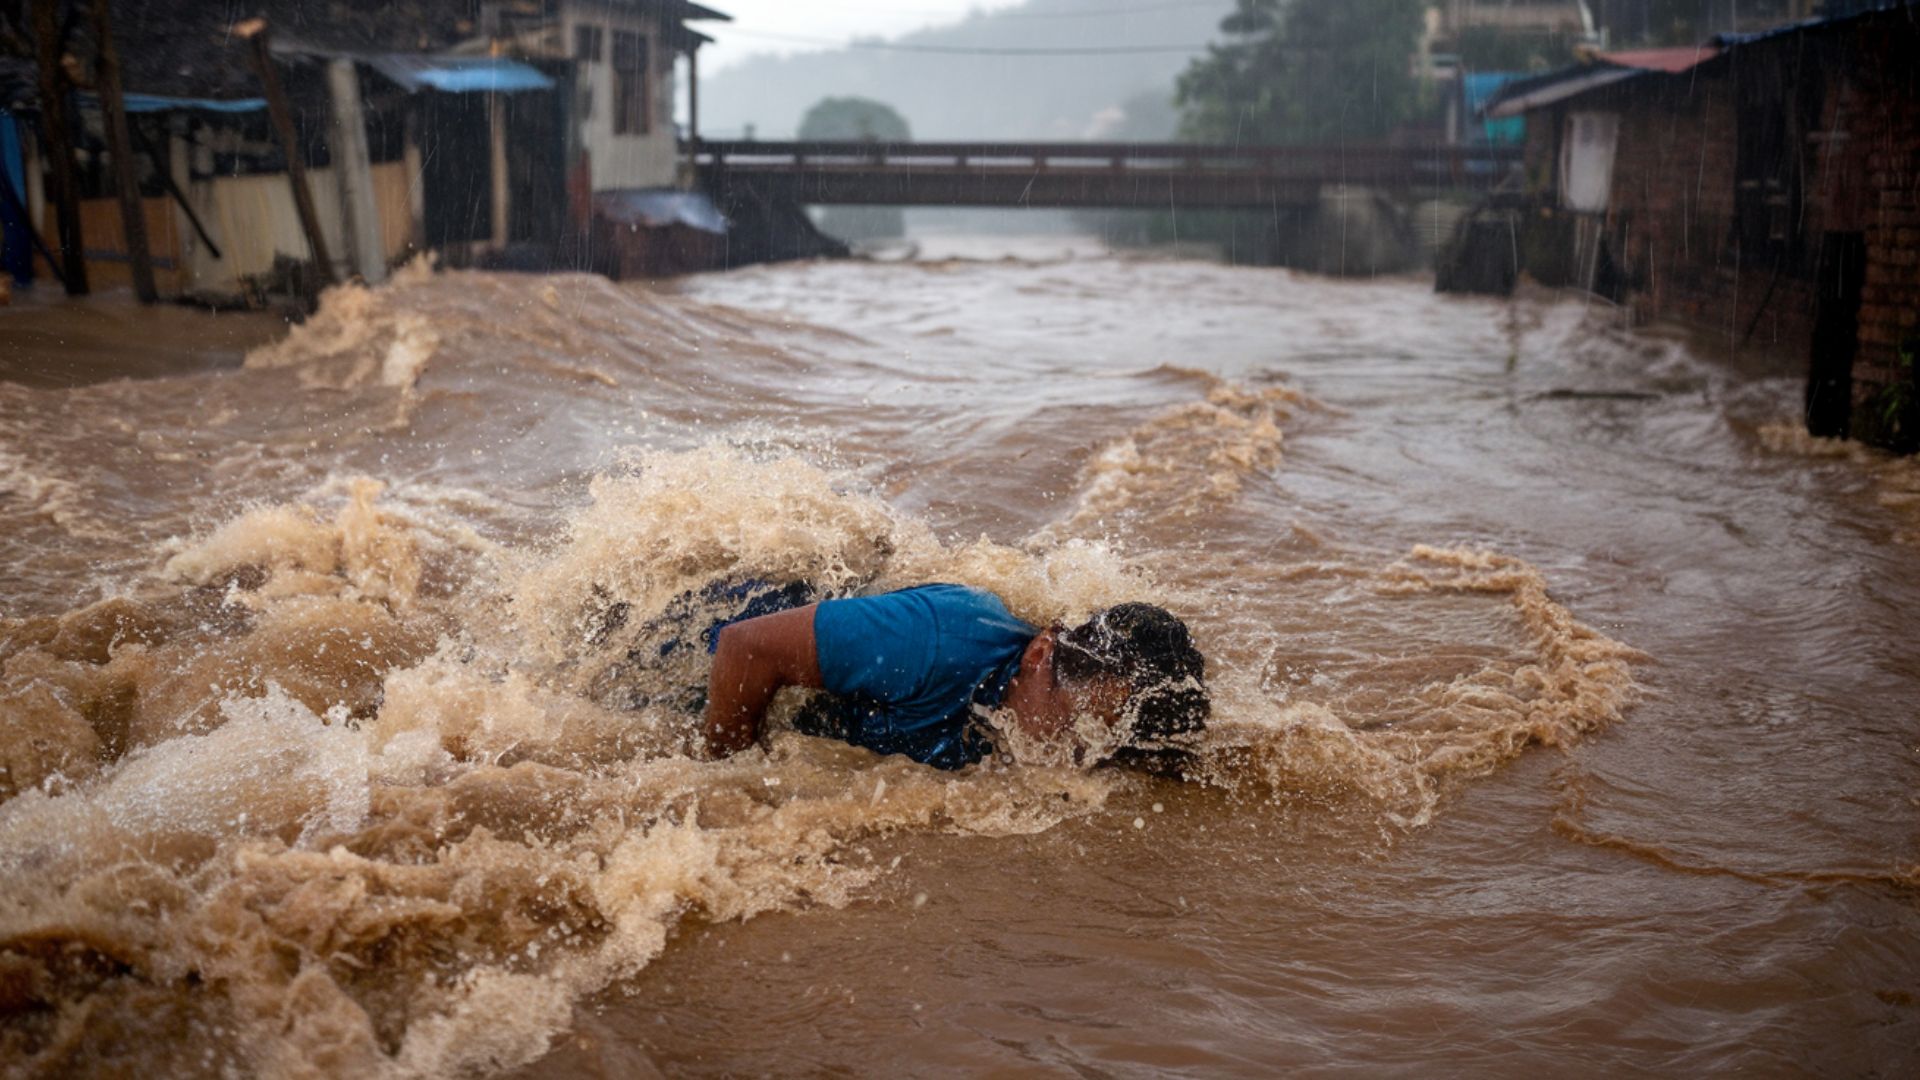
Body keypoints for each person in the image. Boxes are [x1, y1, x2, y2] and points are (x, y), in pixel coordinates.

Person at [701, 582, 1209, 770]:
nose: (1075, 756)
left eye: (1097, 745)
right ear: (1040, 652)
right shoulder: (939, 641)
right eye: (1077, 726)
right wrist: (727, 774)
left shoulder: (1090, 735)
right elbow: (746, 647)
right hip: (694, 653)